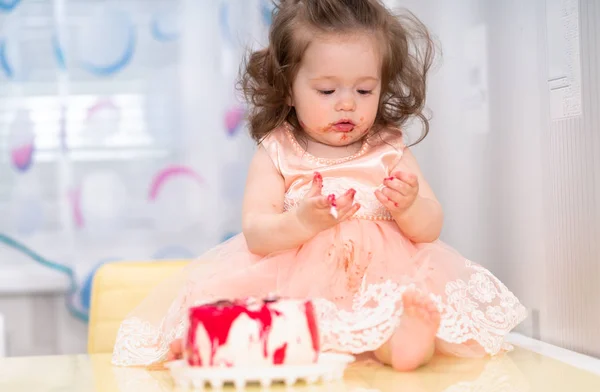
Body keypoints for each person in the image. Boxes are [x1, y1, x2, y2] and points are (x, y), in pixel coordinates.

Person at [112, 0, 526, 372]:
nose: (347, 103)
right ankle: (224, 344)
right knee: (268, 322)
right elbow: (257, 233)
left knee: (387, 312)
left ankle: (399, 342)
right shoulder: (278, 151)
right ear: (288, 89)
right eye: (327, 90)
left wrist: (410, 205)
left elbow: (430, 227)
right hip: (296, 285)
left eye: (365, 90)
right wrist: (301, 222)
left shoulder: (387, 148)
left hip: (378, 282)